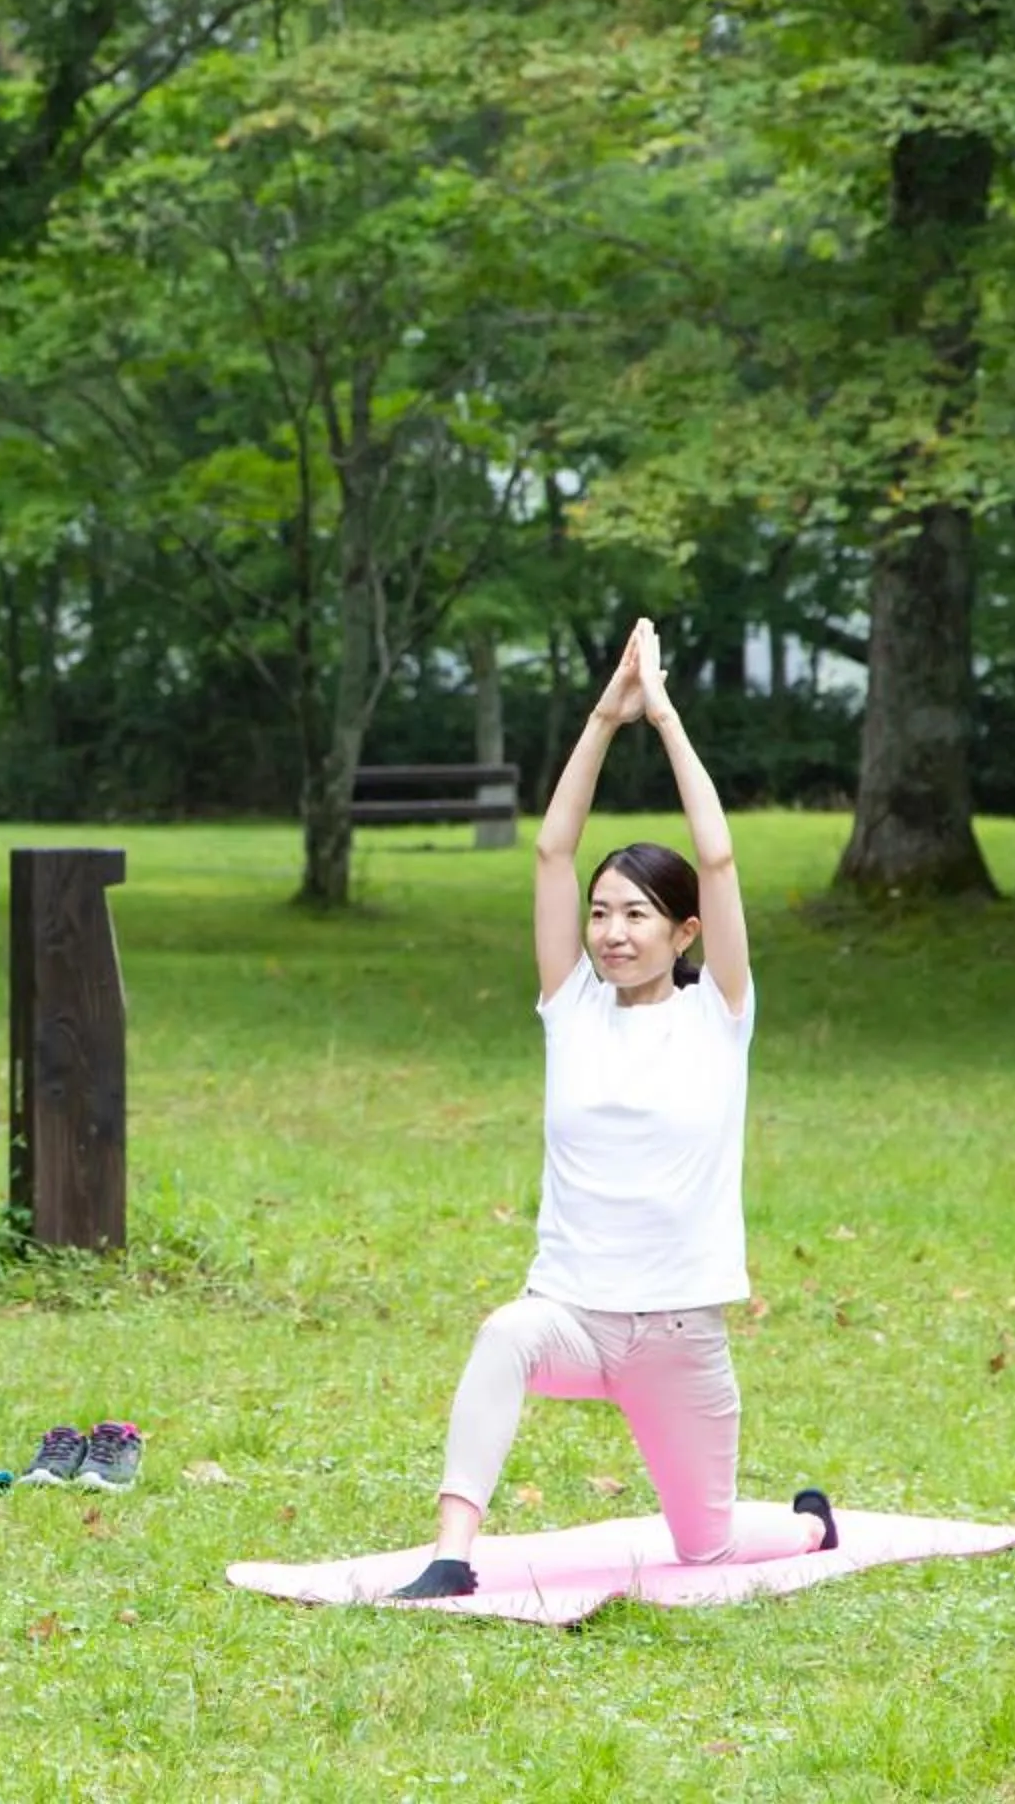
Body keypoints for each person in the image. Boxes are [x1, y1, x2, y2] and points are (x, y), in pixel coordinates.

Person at [393, 618, 835, 1600]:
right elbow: (552, 852)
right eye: (602, 912)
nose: (612, 930)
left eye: (636, 913)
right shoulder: (571, 1007)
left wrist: (667, 717)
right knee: (503, 1332)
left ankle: (809, 1522)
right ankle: (451, 1552)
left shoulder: (719, 1012)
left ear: (682, 930)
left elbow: (718, 863)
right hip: (575, 1315)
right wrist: (603, 715)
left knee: (706, 1546)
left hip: (679, 1330)